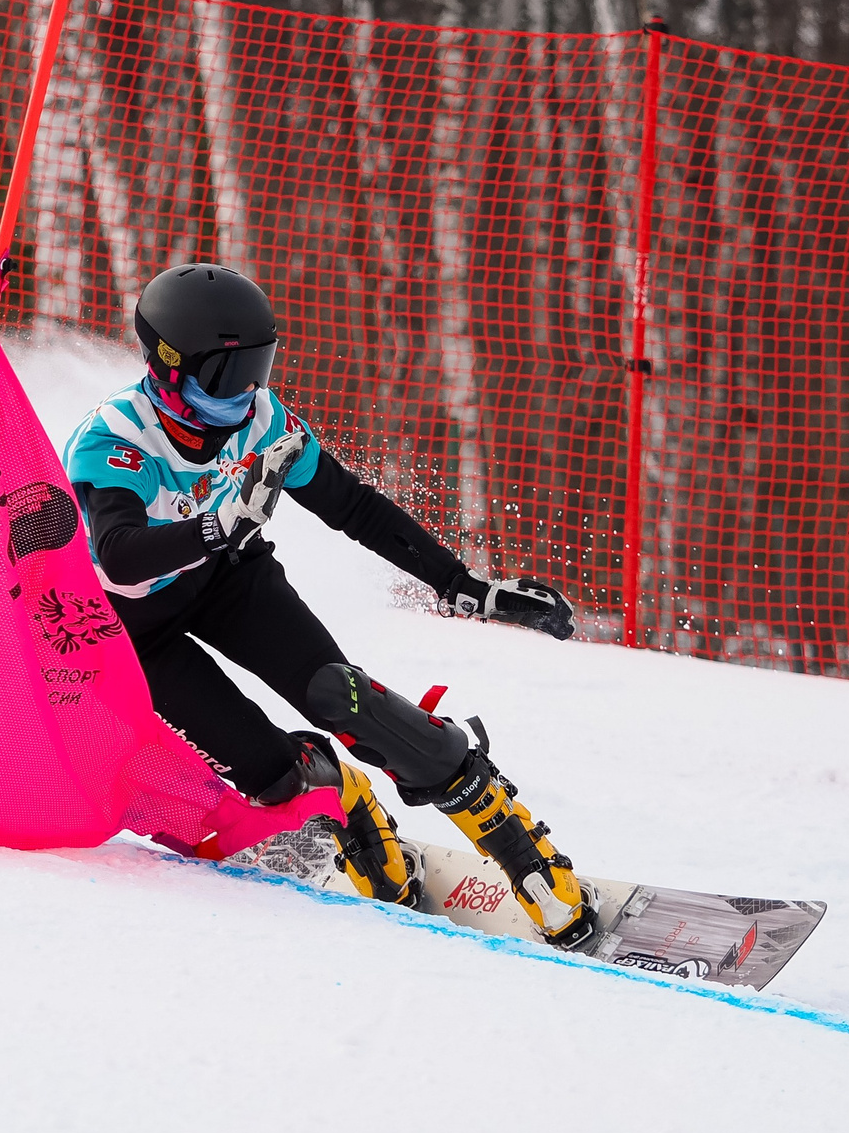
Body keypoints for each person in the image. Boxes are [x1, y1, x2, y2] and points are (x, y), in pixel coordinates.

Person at [62, 262, 596, 946]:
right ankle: (348, 806)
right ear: (169, 369)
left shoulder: (262, 418)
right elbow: (121, 552)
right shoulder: (116, 439)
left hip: (230, 578)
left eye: (258, 366)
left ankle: (520, 849)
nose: (248, 390)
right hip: (141, 627)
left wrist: (459, 582)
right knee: (267, 770)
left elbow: (351, 504)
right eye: (227, 375)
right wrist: (218, 525)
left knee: (346, 699)